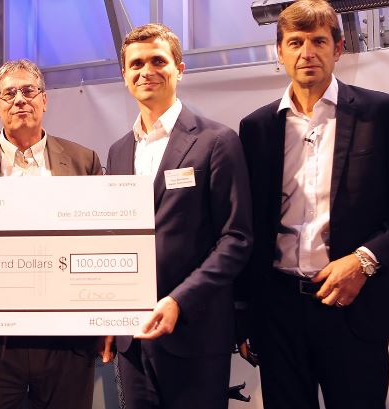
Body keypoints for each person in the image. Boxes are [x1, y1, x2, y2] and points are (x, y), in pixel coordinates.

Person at [236, 1, 389, 408]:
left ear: (338, 48)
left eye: (318, 41)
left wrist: (363, 261)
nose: (307, 52)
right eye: (295, 42)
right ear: (279, 51)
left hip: (354, 304)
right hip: (278, 310)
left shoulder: (380, 112)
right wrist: (244, 314)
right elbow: (247, 226)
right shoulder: (256, 127)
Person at [103, 23, 253, 409]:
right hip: (133, 339)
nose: (146, 71)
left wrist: (179, 300)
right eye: (136, 64)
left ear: (179, 69)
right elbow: (117, 240)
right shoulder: (118, 152)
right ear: (124, 75)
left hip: (195, 331)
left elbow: (236, 239)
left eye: (158, 61)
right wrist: (109, 317)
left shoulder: (216, 141)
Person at [0, 59, 102, 409]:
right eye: (9, 94)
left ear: (44, 100)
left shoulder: (84, 161)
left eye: (29, 91)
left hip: (65, 337)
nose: (20, 99)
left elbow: (98, 244)